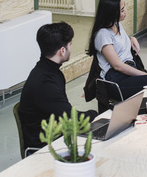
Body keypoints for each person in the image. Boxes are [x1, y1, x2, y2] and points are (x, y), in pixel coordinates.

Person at [19, 22, 98, 153]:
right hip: (46, 147)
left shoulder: (49, 71)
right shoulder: (45, 83)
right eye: (70, 44)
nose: (71, 47)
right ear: (62, 51)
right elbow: (71, 119)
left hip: (58, 134)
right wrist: (95, 114)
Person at [87, 0, 147, 100]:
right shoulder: (103, 34)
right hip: (117, 79)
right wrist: (145, 75)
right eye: (122, 10)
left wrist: (132, 38)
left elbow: (120, 40)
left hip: (129, 70)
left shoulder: (117, 24)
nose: (125, 12)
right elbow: (118, 66)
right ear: (112, 13)